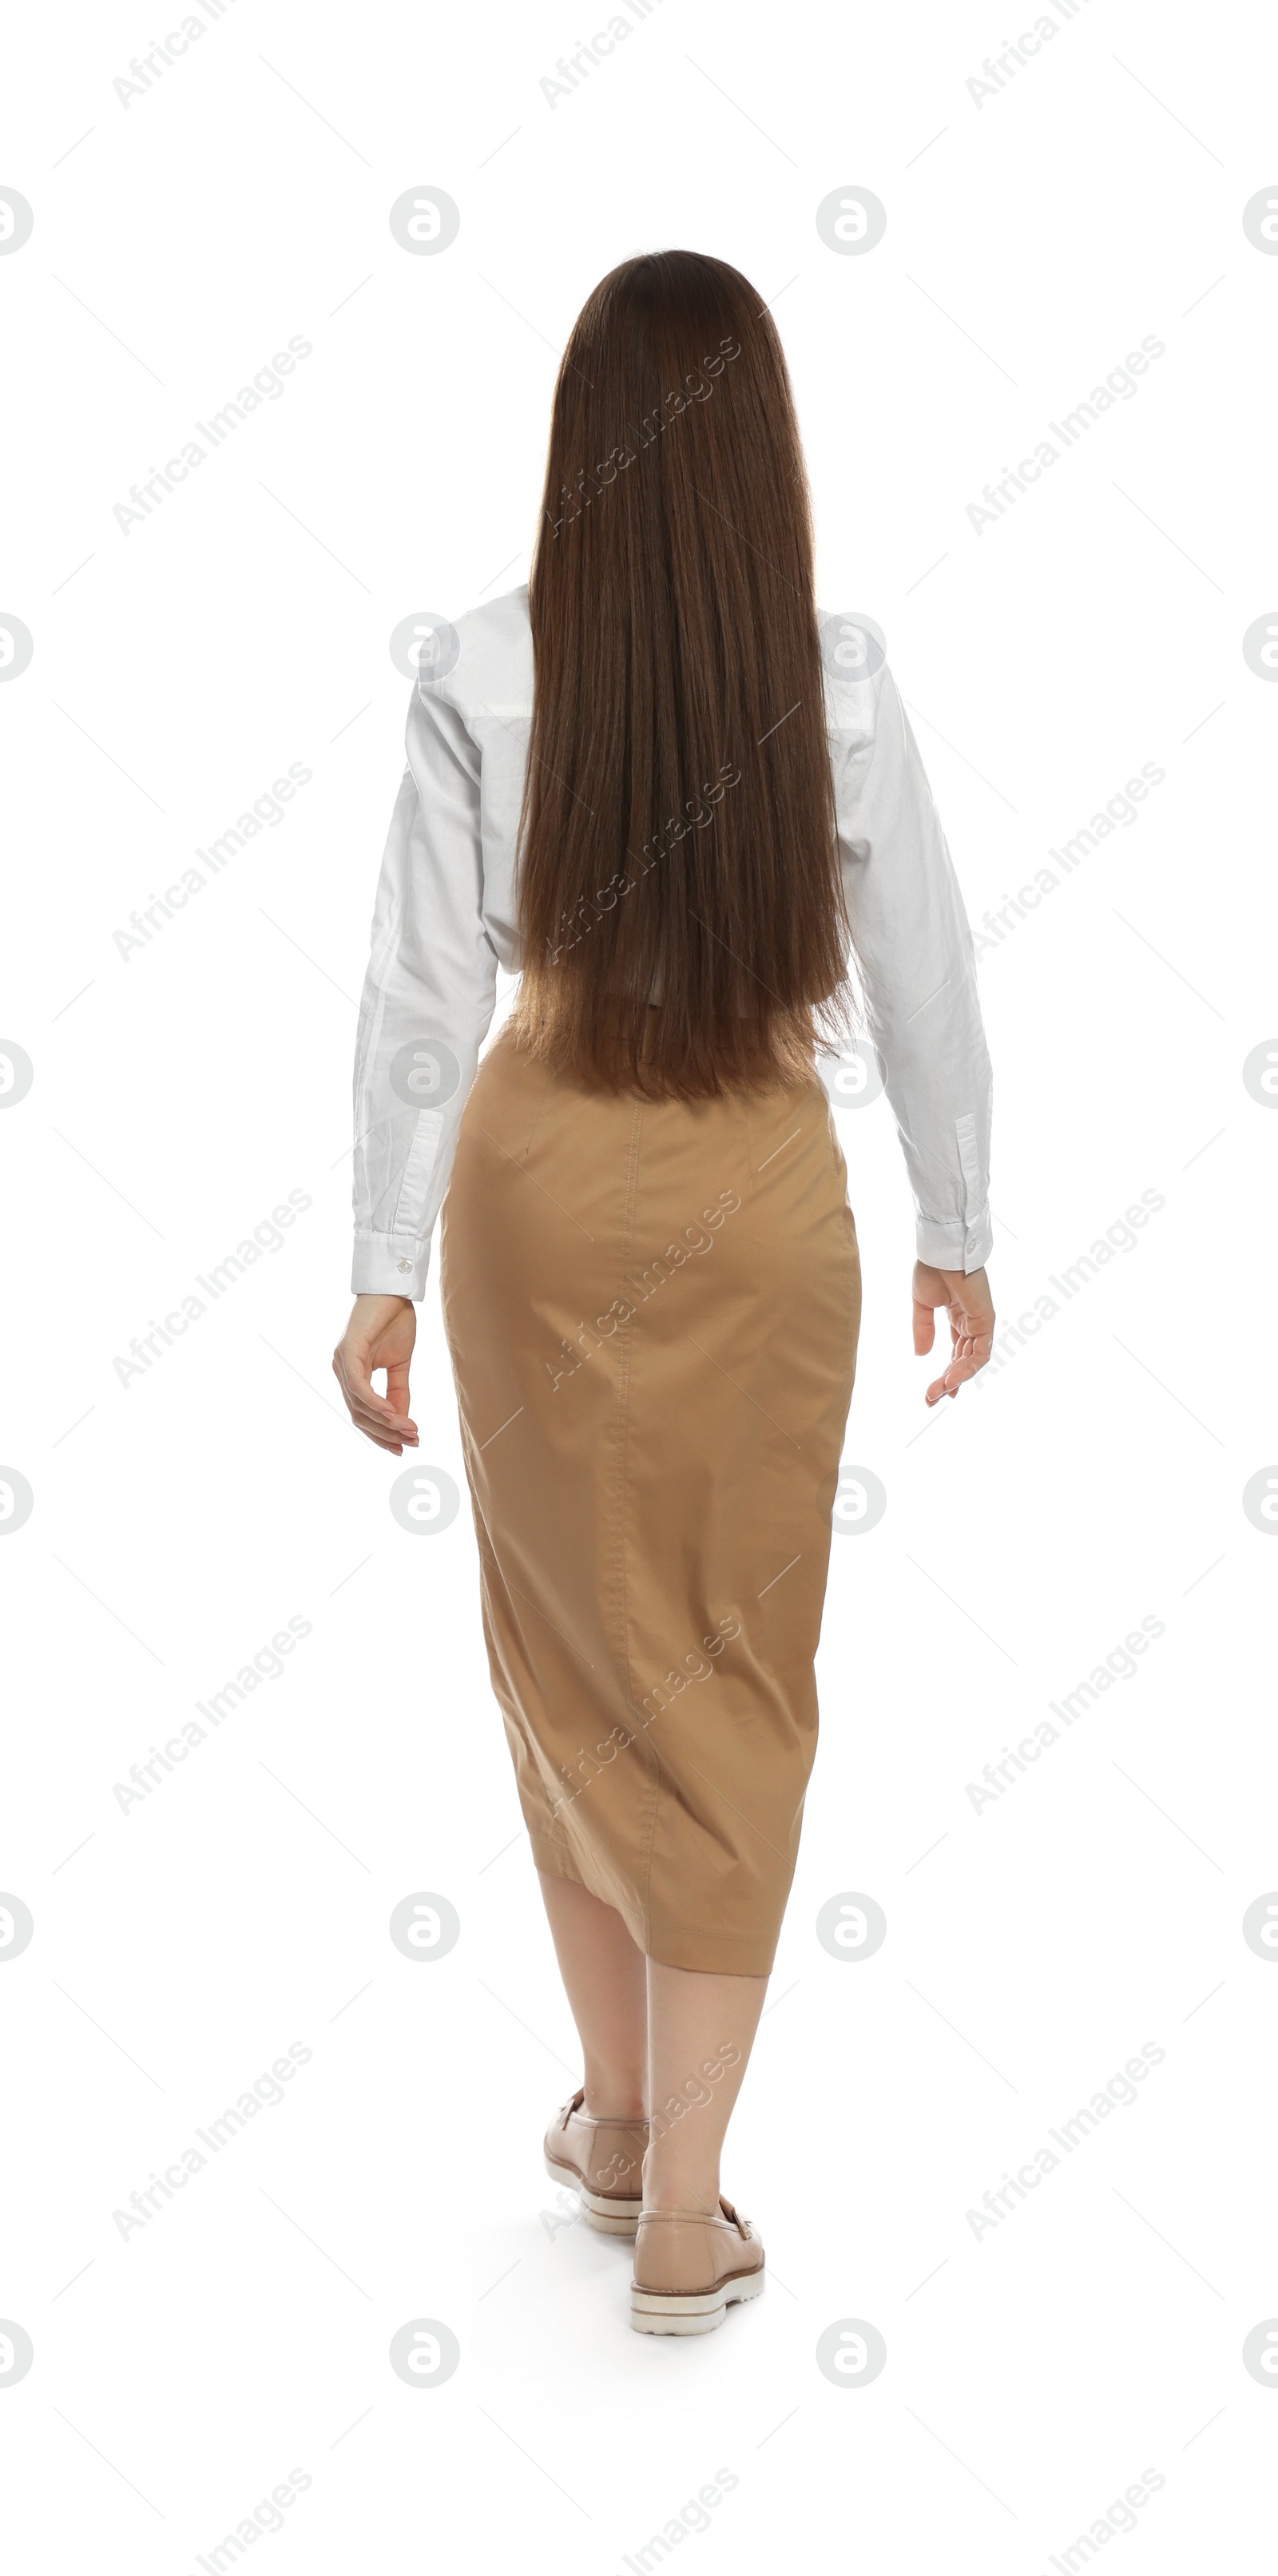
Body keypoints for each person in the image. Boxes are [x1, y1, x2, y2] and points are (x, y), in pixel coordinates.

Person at [334, 248, 994, 2336]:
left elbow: (423, 993)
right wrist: (961, 1222)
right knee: (730, 1670)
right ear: (763, 461)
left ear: (578, 454)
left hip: (530, 1193)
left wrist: (377, 1267)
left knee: (563, 1654)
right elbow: (931, 986)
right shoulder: (850, 676)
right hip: (761, 1194)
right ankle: (685, 2207)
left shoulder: (479, 664)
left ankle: (618, 2119)